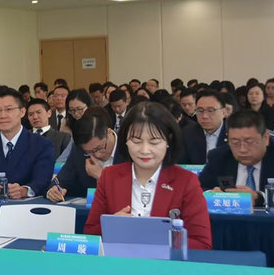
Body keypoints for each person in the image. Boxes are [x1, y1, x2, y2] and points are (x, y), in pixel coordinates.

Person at [84, 102, 212, 249]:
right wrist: (113, 227)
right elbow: (90, 234)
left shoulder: (186, 181)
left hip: (166, 263)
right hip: (120, 261)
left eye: (154, 142)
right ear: (125, 141)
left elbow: (202, 243)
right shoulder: (109, 176)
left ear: (168, 141)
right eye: (136, 141)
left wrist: (156, 237)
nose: (145, 150)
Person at [199, 110, 274, 209]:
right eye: (235, 142)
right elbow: (199, 188)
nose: (242, 149)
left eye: (250, 142)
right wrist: (212, 194)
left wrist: (260, 197)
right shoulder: (219, 157)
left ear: (266, 138)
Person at [0, 88, 54, 197]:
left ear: (22, 112)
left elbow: (42, 180)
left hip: (26, 205)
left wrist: (24, 191)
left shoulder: (41, 144)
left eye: (9, 109)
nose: (3, 116)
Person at [48, 107, 122, 201]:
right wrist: (54, 191)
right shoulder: (79, 150)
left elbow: (133, 193)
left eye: (99, 148)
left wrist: (102, 177)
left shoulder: (127, 150)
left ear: (109, 132)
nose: (97, 155)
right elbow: (60, 181)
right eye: (89, 152)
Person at [179, 90, 228, 165]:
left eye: (210, 110)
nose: (204, 116)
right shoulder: (187, 134)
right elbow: (181, 165)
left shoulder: (234, 133)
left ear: (224, 112)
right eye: (200, 110)